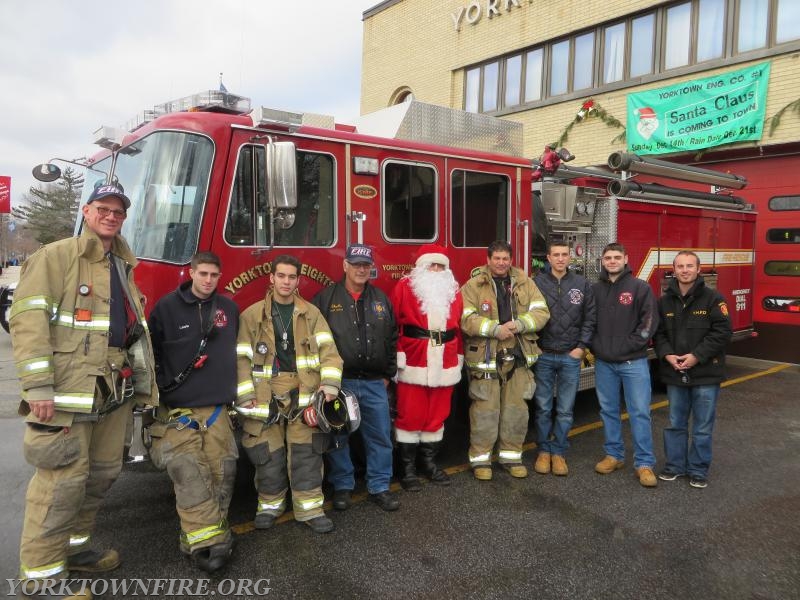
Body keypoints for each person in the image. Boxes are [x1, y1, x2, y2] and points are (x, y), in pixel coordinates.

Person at [10, 183, 157, 596]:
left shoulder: (121, 264)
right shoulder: (56, 257)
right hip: (67, 393)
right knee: (61, 482)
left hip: (111, 389)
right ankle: (42, 578)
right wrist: (38, 386)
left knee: (101, 474)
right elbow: (28, 321)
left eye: (118, 211)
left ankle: (74, 551)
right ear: (87, 210)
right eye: (103, 208)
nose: (111, 216)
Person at [236, 255, 343, 533]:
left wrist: (329, 386)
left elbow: (330, 354)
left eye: (291, 277)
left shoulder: (312, 315)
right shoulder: (251, 315)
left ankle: (309, 508)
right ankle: (270, 505)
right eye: (280, 276)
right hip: (264, 396)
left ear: (298, 280)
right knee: (267, 454)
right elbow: (241, 360)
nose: (286, 282)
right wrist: (245, 396)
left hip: (303, 394)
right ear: (271, 278)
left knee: (306, 453)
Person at [147, 251, 239, 572]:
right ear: (192, 272)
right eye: (203, 274)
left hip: (217, 409)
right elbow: (150, 355)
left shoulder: (228, 309)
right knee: (190, 475)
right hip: (179, 411)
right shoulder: (166, 309)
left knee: (223, 473)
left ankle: (203, 535)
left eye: (214, 275)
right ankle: (208, 542)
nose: (208, 281)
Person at [312, 244, 400, 511]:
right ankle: (343, 486)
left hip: (375, 383)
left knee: (380, 437)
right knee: (339, 437)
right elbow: (314, 342)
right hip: (341, 383)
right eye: (356, 264)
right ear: (345, 266)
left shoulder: (381, 299)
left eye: (366, 265)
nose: (362, 269)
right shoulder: (325, 299)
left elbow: (393, 337)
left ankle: (379, 487)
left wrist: (387, 374)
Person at [461, 240, 549, 481]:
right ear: (488, 260)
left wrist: (520, 324)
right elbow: (466, 318)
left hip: (518, 355)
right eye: (496, 258)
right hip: (486, 356)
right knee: (485, 411)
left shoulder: (525, 283)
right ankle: (481, 461)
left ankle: (511, 458)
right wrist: (494, 329)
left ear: (511, 260)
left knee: (515, 410)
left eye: (505, 258)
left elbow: (542, 312)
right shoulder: (473, 285)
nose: (501, 263)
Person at [654, 251, 732, 489]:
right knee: (675, 422)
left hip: (706, 373)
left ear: (699, 269)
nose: (685, 270)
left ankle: (698, 470)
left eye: (689, 266)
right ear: (673, 270)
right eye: (680, 266)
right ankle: (675, 466)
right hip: (675, 373)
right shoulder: (664, 301)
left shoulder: (713, 298)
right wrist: (667, 355)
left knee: (702, 426)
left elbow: (722, 333)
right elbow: (658, 334)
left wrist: (696, 357)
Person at [390, 244, 463, 491]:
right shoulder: (404, 287)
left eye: (440, 266)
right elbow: (393, 325)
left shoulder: (453, 291)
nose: (435, 269)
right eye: (431, 264)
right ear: (421, 266)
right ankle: (407, 468)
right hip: (414, 359)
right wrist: (398, 355)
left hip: (445, 359)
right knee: (410, 415)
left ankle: (429, 464)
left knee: (437, 415)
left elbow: (459, 328)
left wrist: (458, 356)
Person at [591, 242, 659, 487]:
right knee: (608, 411)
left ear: (626, 259)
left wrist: (628, 346)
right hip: (604, 363)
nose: (612, 261)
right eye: (608, 257)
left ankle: (644, 464)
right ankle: (614, 455)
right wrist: (596, 347)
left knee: (639, 413)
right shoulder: (595, 289)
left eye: (616, 257)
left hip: (634, 362)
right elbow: (589, 322)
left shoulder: (640, 288)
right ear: (602, 260)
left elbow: (649, 323)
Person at [532, 241, 596, 476]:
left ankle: (558, 452)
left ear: (570, 258)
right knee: (542, 408)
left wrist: (581, 348)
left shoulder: (582, 284)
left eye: (564, 255)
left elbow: (590, 319)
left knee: (566, 410)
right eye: (556, 255)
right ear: (548, 258)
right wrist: (535, 347)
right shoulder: (536, 283)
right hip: (544, 355)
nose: (560, 258)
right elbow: (527, 315)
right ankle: (543, 452)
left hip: (571, 356)